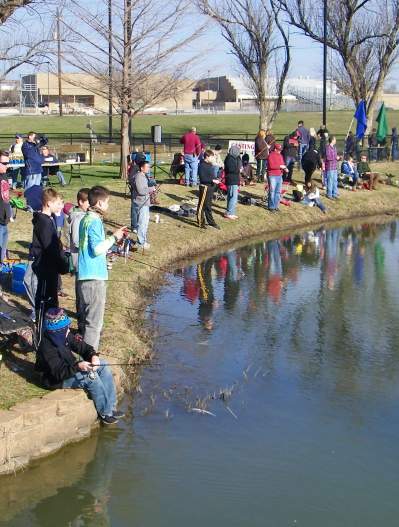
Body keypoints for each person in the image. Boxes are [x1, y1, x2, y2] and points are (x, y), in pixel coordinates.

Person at [36, 307, 124, 425]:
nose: (68, 329)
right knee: (90, 377)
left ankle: (112, 407)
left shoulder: (64, 335)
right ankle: (105, 413)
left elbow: (83, 347)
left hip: (70, 368)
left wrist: (93, 356)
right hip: (54, 379)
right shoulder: (47, 347)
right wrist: (78, 366)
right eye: (66, 327)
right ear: (58, 330)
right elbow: (58, 372)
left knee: (103, 364)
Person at [78, 186, 126, 352]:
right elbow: (97, 249)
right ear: (99, 203)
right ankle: (90, 363)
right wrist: (114, 238)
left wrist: (110, 240)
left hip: (83, 276)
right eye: (107, 202)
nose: (108, 206)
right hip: (94, 278)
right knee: (94, 324)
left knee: (85, 321)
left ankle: (84, 358)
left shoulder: (85, 219)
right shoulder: (96, 221)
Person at [31, 188, 69, 321]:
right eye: (57, 203)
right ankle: (44, 324)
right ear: (48, 203)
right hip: (46, 267)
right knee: (46, 299)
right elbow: (50, 248)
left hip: (49, 266)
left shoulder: (47, 219)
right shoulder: (44, 222)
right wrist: (63, 264)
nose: (59, 206)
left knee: (51, 297)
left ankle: (49, 322)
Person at [66, 188, 90, 334]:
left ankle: (82, 318)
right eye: (89, 202)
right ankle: (82, 326)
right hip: (80, 260)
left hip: (83, 261)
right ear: (80, 202)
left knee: (82, 291)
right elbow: (75, 240)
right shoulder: (78, 218)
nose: (91, 204)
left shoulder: (84, 215)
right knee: (82, 294)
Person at [131, 160, 154, 249]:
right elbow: (141, 191)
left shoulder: (143, 176)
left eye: (149, 167)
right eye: (147, 167)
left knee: (145, 222)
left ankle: (143, 241)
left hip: (144, 202)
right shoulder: (139, 177)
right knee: (142, 223)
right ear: (141, 168)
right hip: (142, 203)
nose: (148, 168)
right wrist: (151, 189)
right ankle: (141, 242)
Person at [197, 149, 220, 230]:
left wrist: (216, 179)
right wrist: (212, 180)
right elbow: (203, 178)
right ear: (207, 157)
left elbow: (211, 176)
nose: (213, 158)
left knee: (208, 206)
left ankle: (211, 222)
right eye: (212, 157)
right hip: (205, 187)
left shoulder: (210, 165)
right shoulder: (202, 165)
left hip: (210, 188)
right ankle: (200, 222)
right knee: (202, 206)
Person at [267, 143, 287, 212]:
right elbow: (272, 166)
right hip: (272, 175)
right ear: (275, 149)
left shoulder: (280, 156)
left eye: (280, 150)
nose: (280, 151)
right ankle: (271, 207)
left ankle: (276, 206)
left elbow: (282, 164)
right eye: (278, 150)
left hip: (279, 175)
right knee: (272, 191)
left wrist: (285, 168)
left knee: (278, 192)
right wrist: (280, 166)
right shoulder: (270, 155)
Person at [224, 145, 242, 220]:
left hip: (235, 179)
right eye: (238, 152)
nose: (239, 153)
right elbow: (231, 169)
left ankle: (230, 212)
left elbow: (238, 165)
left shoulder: (237, 158)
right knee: (233, 197)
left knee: (232, 196)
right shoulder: (229, 159)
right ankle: (230, 213)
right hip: (231, 179)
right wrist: (239, 170)